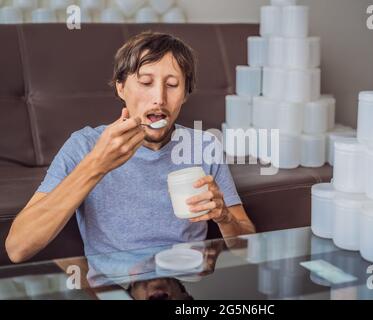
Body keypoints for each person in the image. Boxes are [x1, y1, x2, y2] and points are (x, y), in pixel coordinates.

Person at [6, 30, 255, 263]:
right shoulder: (84, 145)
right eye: (146, 82)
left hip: (184, 284)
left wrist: (225, 217)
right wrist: (97, 165)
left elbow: (246, 247)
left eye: (172, 85)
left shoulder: (204, 145)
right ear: (121, 87)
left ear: (185, 94)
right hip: (116, 288)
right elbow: (18, 248)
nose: (159, 97)